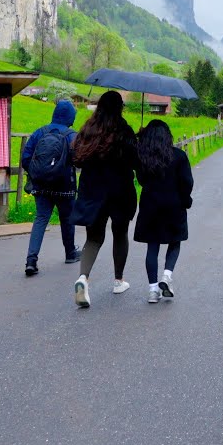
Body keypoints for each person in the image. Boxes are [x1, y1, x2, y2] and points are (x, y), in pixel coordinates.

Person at [71, 91, 139, 308]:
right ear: (120, 107)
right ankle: (119, 281)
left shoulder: (88, 130)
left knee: (93, 238)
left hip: (93, 192)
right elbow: (136, 161)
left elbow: (77, 160)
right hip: (120, 191)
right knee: (120, 234)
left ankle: (83, 278)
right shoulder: (124, 131)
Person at [133, 119, 194, 303]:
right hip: (174, 205)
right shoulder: (179, 156)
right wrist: (186, 200)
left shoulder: (143, 158)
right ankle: (167, 276)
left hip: (150, 206)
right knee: (175, 241)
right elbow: (187, 183)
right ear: (167, 136)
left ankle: (152, 291)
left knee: (153, 246)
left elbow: (142, 181)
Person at [21, 99, 80, 276]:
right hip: (64, 186)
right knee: (67, 219)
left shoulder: (40, 132)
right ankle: (70, 253)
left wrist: (38, 174)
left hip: (41, 186)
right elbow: (79, 159)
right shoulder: (72, 136)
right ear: (71, 117)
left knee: (40, 219)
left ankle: (31, 260)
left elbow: (26, 158)